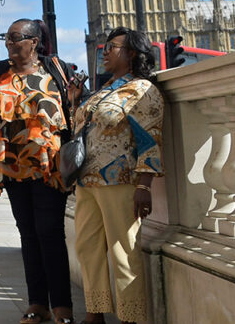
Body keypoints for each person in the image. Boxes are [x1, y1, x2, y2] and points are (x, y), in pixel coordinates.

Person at [0, 19, 82, 324]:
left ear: (34, 42)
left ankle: (62, 305)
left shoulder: (55, 68)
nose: (9, 44)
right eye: (7, 39)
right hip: (12, 166)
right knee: (28, 233)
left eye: (15, 38)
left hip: (48, 166)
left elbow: (74, 106)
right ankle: (37, 304)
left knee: (49, 233)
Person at [73, 27, 164, 324]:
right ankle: (94, 313)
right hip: (87, 180)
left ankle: (130, 318)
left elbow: (150, 139)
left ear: (132, 53)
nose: (105, 52)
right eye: (105, 47)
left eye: (112, 47)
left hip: (119, 181)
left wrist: (144, 185)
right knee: (88, 249)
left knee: (123, 253)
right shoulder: (105, 89)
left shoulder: (142, 90)